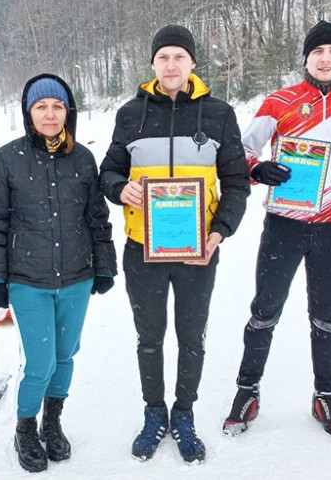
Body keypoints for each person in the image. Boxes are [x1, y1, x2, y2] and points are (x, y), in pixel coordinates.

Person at [222, 21, 331, 438]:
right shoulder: (279, 101)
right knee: (265, 311)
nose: (325, 58)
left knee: (328, 318)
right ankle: (247, 390)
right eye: (318, 51)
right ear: (305, 58)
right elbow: (243, 149)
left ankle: (325, 394)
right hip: (284, 224)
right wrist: (258, 168)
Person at [99, 25, 250, 463]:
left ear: (192, 64)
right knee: (149, 338)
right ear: (152, 64)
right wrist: (119, 188)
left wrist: (219, 231)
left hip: (197, 248)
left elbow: (237, 181)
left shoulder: (219, 114)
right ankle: (154, 412)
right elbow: (110, 169)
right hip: (141, 248)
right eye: (163, 57)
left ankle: (183, 413)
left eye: (179, 57)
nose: (171, 65)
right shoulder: (131, 114)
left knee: (191, 337)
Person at [0, 74, 117, 473]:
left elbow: (96, 217)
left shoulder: (82, 159)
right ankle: (25, 427)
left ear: (68, 112)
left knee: (66, 355)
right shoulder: (7, 160)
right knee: (41, 362)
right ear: (29, 112)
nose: (50, 114)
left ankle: (52, 422)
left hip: (77, 277)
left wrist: (104, 266)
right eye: (41, 107)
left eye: (57, 106)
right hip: (28, 280)